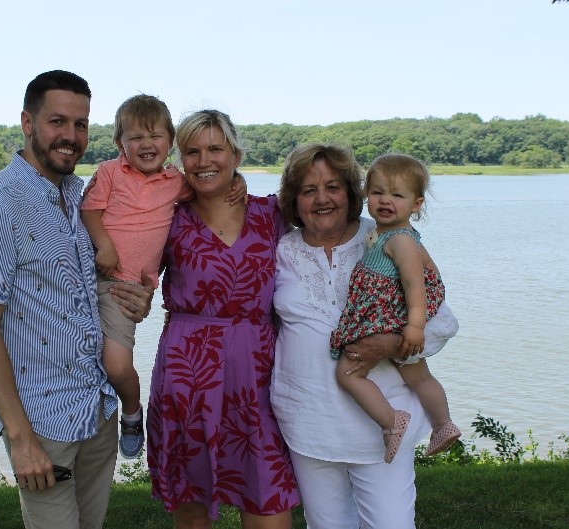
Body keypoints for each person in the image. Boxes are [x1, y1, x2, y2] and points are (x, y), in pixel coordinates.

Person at [0, 70, 153, 529]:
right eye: (57, 122)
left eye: (81, 124)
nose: (70, 136)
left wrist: (134, 302)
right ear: (28, 122)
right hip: (43, 425)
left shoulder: (80, 195)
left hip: (98, 410)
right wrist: (20, 437)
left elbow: (92, 290)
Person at [270, 144, 459, 529]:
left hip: (381, 429)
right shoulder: (281, 250)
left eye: (333, 187)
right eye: (308, 190)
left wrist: (391, 345)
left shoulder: (387, 239)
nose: (322, 199)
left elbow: (441, 323)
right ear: (294, 199)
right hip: (307, 422)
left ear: (353, 193)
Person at [146, 110, 300, 528]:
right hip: (188, 374)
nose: (203, 160)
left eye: (215, 148)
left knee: (268, 501)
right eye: (191, 151)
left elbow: (331, 233)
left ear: (235, 153)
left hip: (261, 373)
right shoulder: (168, 218)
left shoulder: (272, 215)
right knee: (192, 505)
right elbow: (130, 272)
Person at [80, 95, 245, 459]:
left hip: (126, 287)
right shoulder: (109, 173)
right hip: (88, 275)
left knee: (117, 364)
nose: (146, 144)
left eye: (155, 136)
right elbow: (90, 209)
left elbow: (209, 184)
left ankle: (133, 412)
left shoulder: (176, 183)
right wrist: (104, 244)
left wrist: (240, 182)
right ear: (119, 143)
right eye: (135, 137)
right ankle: (83, 434)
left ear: (169, 141)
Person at [329, 153, 461, 463]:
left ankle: (391, 422)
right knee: (418, 377)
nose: (385, 200)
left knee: (348, 373)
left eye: (397, 195)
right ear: (366, 195)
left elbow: (415, 285)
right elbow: (424, 275)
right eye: (377, 192)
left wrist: (414, 328)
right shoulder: (385, 234)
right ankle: (442, 424)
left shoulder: (400, 240)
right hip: (390, 314)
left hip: (390, 317)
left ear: (416, 205)